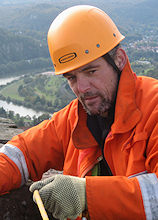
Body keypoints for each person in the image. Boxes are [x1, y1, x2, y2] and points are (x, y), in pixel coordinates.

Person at [0, 4, 158, 220]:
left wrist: (87, 194)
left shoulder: (154, 109)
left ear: (119, 60)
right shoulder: (75, 118)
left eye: (91, 71)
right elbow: (22, 153)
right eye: (72, 78)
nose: (81, 89)